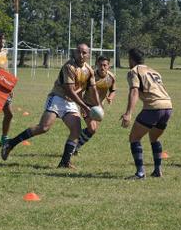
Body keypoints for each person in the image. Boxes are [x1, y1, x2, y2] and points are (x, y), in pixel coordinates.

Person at [1, 43, 100, 168]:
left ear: (88, 54)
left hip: (70, 102)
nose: (81, 55)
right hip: (57, 98)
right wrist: (84, 106)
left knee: (76, 130)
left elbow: (93, 89)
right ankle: (10, 144)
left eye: (84, 53)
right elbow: (69, 90)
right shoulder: (69, 66)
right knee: (44, 127)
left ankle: (65, 162)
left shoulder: (89, 70)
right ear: (74, 52)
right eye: (78, 52)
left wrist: (98, 106)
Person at [120, 48, 172, 179]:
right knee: (154, 138)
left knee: (134, 138)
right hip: (168, 106)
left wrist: (128, 113)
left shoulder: (134, 71)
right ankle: (158, 171)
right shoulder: (154, 71)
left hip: (154, 107)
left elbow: (134, 91)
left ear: (131, 59)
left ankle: (140, 173)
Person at [72, 55, 116, 155]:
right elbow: (81, 89)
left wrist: (110, 97)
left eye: (105, 65)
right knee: (92, 128)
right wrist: (81, 103)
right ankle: (74, 146)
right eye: (100, 65)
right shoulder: (90, 76)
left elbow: (113, 90)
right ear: (96, 64)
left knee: (92, 130)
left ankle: (75, 144)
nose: (102, 67)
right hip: (87, 105)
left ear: (109, 66)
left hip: (99, 108)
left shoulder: (111, 77)